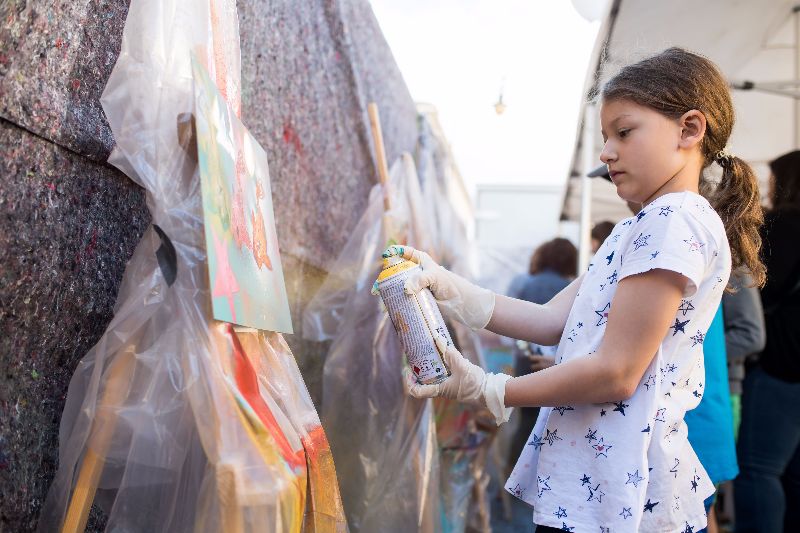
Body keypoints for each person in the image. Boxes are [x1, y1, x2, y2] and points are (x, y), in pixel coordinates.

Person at [385, 47, 765, 532]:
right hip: (600, 484)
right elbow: (550, 320)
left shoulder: (674, 219)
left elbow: (617, 372)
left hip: (620, 496)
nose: (606, 152)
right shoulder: (640, 227)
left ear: (690, 130)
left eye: (624, 132)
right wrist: (447, 286)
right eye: (606, 137)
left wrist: (491, 389)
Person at [734, 150, 800, 533]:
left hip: (780, 364)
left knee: (759, 470)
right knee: (794, 477)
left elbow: (759, 284)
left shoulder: (781, 227)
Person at [507, 238, 578, 468]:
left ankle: (513, 475)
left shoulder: (526, 283)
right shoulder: (572, 287)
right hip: (558, 365)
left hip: (526, 361)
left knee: (525, 422)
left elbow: (512, 328)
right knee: (553, 421)